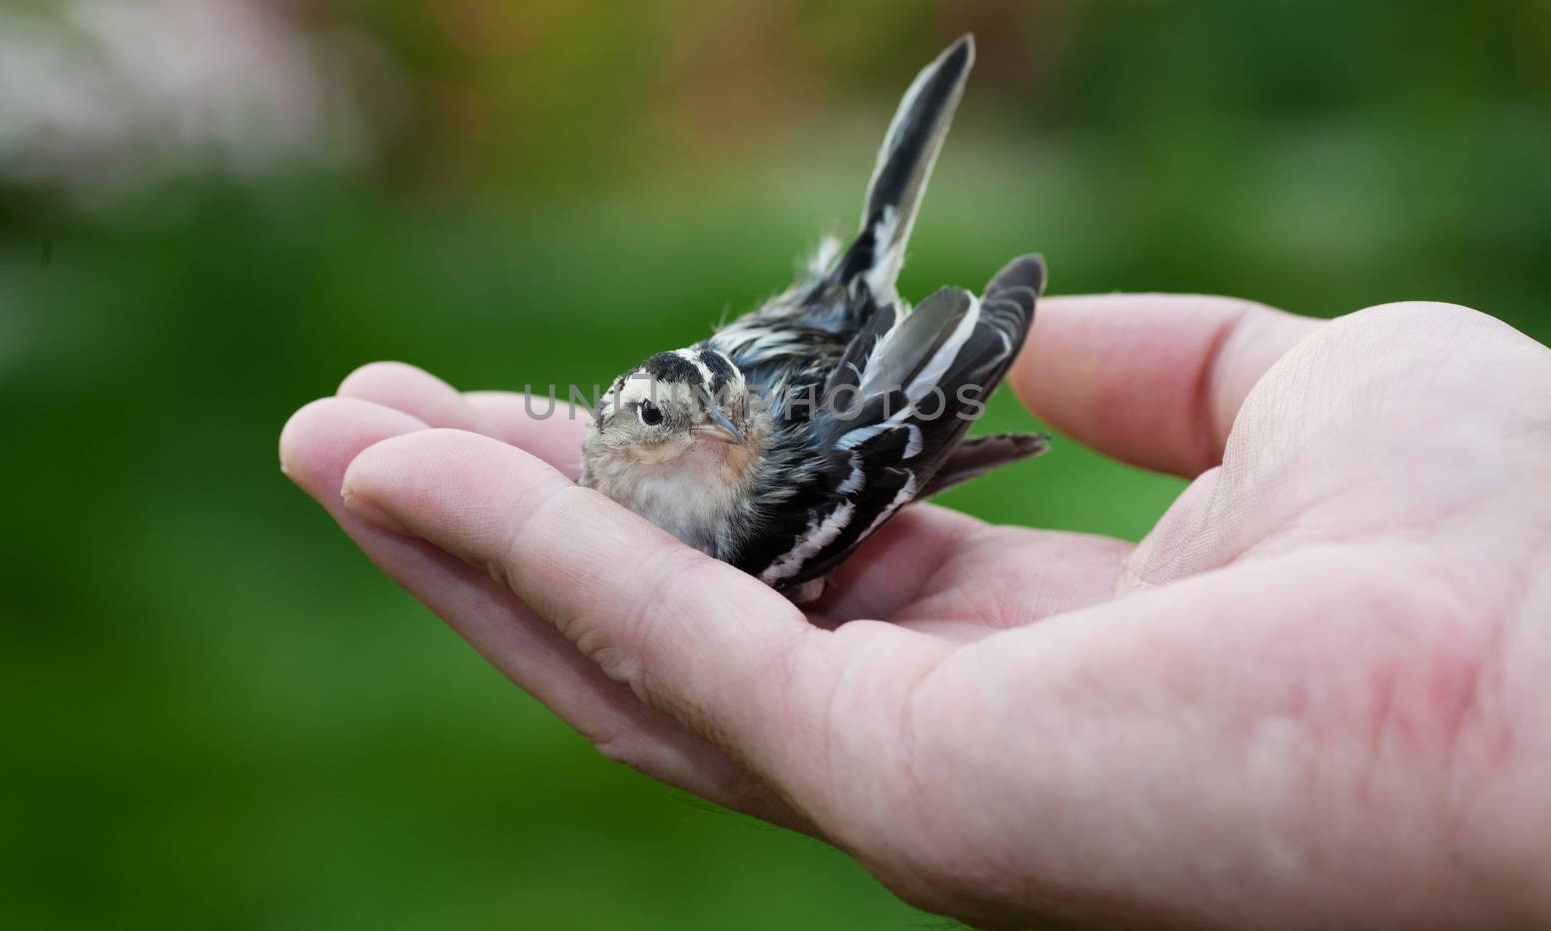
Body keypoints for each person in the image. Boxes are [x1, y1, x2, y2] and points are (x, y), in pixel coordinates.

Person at [279, 294, 1551, 930]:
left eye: (732, 424)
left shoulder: (753, 507)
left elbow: (838, 457)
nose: (726, 441)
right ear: (618, 433)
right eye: (676, 424)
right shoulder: (619, 461)